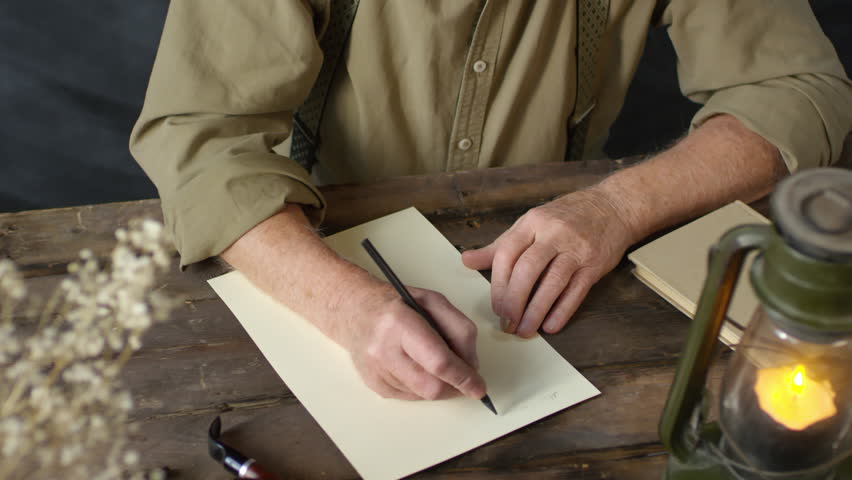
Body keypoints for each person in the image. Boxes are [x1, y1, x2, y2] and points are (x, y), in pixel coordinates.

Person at [130, 1, 851, 403]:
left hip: (564, 254)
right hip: (310, 250)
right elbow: (198, 134)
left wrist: (617, 208)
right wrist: (349, 307)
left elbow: (801, 89)